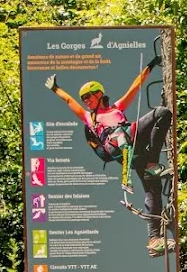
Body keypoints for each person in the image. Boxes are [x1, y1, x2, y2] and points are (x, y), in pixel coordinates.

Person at [45, 55, 174, 257]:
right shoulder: (90, 118)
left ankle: (154, 240)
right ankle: (151, 162)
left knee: (153, 190)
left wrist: (150, 65)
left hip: (132, 149)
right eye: (84, 99)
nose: (86, 101)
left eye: (89, 97)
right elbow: (70, 100)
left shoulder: (116, 107)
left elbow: (136, 85)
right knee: (160, 113)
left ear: (99, 94)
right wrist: (55, 89)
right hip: (120, 143)